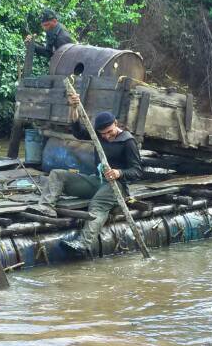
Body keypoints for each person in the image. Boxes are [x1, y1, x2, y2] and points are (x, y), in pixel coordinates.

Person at [28, 103, 143, 257]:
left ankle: (84, 243)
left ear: (116, 123)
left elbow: (137, 171)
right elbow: (78, 132)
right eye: (103, 134)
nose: (107, 136)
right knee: (58, 174)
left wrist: (119, 173)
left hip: (117, 187)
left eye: (110, 132)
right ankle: (46, 206)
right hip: (97, 181)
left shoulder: (128, 141)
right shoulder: (98, 135)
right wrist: (74, 108)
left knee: (97, 204)